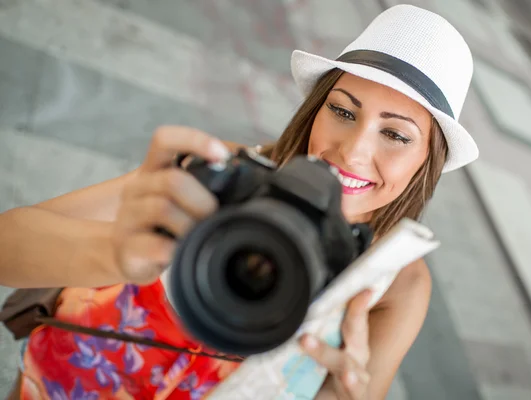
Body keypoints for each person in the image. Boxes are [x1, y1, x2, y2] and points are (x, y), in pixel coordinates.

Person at [0, 4, 478, 399]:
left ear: (427, 161)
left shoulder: (398, 283)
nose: (353, 151)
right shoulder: (222, 172)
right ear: (316, 109)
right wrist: (113, 251)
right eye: (341, 110)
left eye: (395, 133)